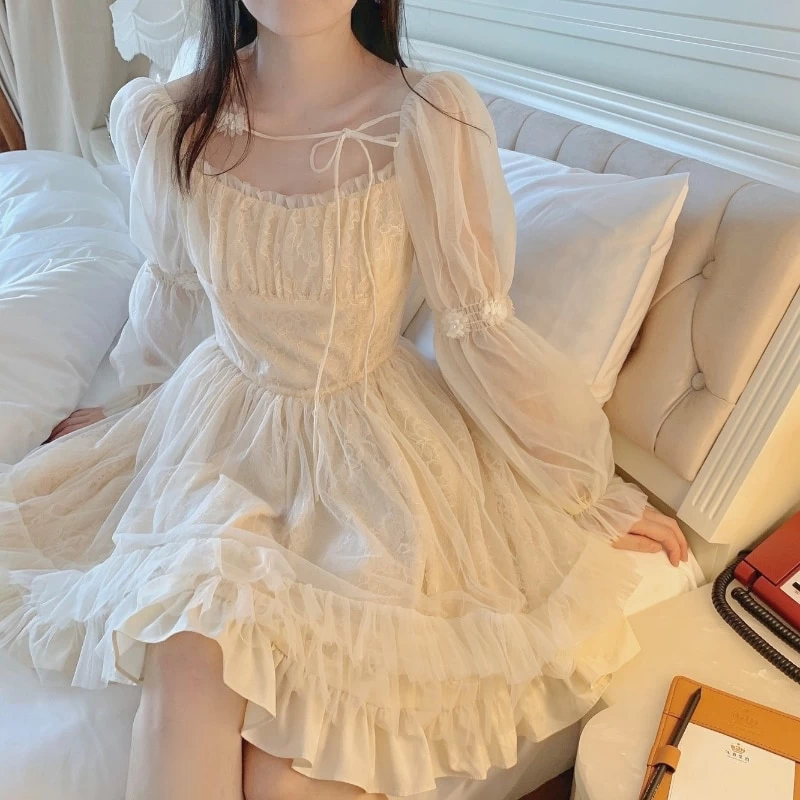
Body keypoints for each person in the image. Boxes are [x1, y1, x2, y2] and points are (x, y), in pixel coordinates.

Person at [1, 1, 688, 798]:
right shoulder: (171, 116)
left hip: (368, 448)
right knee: (189, 651)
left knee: (296, 765)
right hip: (217, 432)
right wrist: (126, 401)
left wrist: (583, 487)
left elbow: (475, 328)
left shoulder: (427, 118)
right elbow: (173, 289)